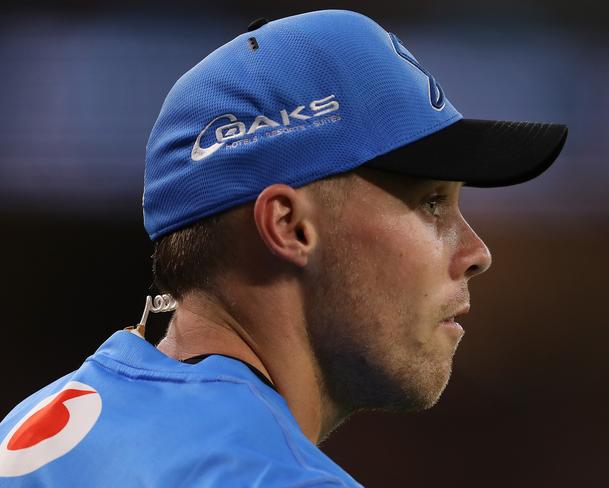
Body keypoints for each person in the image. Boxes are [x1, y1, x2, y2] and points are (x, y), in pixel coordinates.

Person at [0, 9, 567, 487]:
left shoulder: (25, 432)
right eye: (432, 202)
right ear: (290, 228)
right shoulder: (268, 476)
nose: (476, 251)